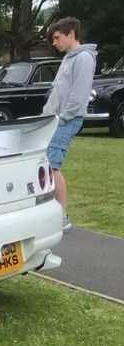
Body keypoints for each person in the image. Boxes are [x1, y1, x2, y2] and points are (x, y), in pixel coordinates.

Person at [44, 17, 97, 231]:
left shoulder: (83, 58)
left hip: (66, 120)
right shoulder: (68, 58)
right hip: (53, 118)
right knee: (46, 164)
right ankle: (50, 213)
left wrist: (63, 116)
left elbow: (78, 94)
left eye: (57, 38)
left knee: (53, 165)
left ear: (71, 33)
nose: (54, 43)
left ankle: (62, 217)